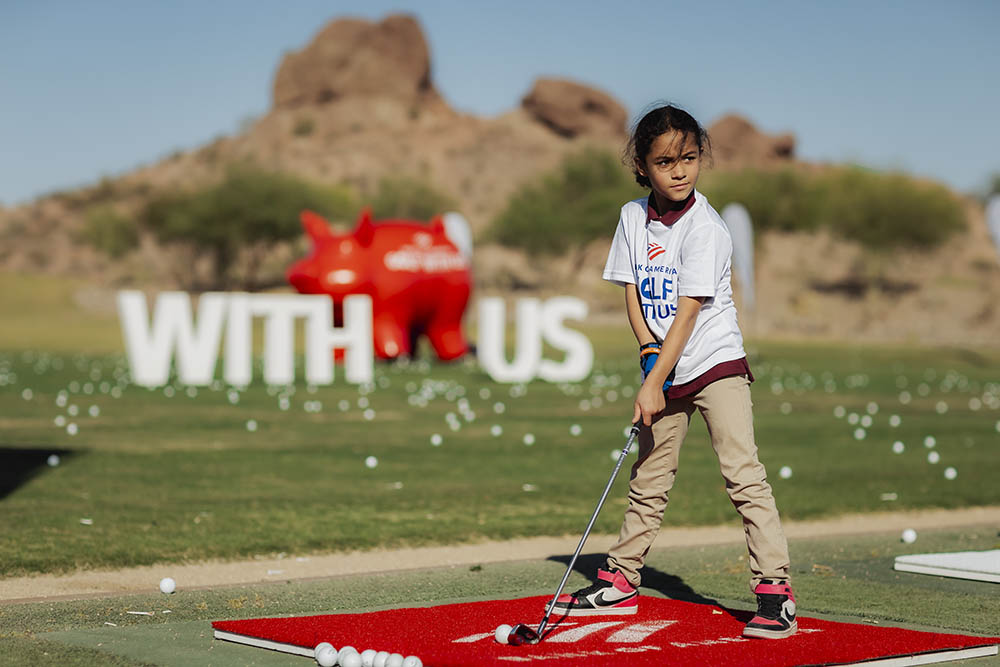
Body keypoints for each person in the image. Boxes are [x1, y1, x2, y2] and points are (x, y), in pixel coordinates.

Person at [551, 104, 797, 639]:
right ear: (643, 167)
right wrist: (646, 354)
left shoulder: (706, 228)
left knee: (742, 474)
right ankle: (619, 580)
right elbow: (633, 289)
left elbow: (687, 314)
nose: (680, 170)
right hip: (661, 364)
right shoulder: (630, 218)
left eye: (689, 158)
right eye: (666, 162)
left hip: (713, 363)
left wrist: (652, 379)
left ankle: (775, 593)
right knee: (649, 476)